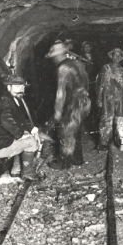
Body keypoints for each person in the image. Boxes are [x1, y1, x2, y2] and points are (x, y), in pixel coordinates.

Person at [0, 74, 42, 183]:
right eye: (17, 86)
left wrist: (33, 130)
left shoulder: (14, 100)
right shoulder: (5, 101)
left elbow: (22, 120)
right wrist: (20, 135)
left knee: (26, 136)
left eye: (22, 87)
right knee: (31, 142)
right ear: (8, 87)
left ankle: (16, 169)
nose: (21, 89)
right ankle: (28, 173)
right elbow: (6, 120)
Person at [45, 42, 91, 170]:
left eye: (53, 57)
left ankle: (64, 162)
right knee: (76, 130)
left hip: (74, 102)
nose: (53, 59)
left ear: (57, 55)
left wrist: (58, 110)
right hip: (85, 102)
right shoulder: (78, 64)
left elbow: (61, 91)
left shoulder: (63, 68)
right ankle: (77, 159)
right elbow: (87, 82)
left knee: (65, 131)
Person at [97, 48, 123, 150]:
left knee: (121, 120)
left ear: (121, 58)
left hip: (120, 99)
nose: (116, 57)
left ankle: (121, 141)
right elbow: (100, 85)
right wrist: (99, 98)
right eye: (115, 55)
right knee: (106, 120)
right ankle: (104, 142)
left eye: (119, 55)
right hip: (107, 98)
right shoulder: (105, 68)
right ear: (111, 56)